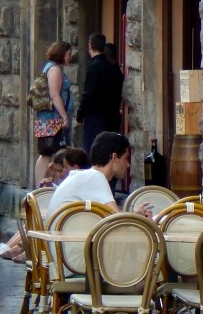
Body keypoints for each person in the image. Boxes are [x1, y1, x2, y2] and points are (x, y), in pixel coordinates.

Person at [0, 147, 90, 262]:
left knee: (42, 221)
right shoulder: (73, 182)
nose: (60, 174)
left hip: (70, 228)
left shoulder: (82, 183)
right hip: (66, 223)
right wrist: (51, 179)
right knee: (35, 221)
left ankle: (23, 248)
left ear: (75, 168)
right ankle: (15, 247)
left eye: (63, 169)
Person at [48, 132, 131, 214]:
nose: (128, 164)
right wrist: (137, 216)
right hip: (65, 227)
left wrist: (134, 214)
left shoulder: (88, 176)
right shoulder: (95, 178)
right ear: (114, 157)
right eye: (125, 158)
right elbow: (119, 221)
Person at [34, 41, 75, 186]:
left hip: (50, 120)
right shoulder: (55, 70)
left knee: (48, 152)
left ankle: (43, 185)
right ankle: (42, 186)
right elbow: (55, 95)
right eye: (69, 54)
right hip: (53, 120)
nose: (70, 57)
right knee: (50, 153)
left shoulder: (52, 68)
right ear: (62, 54)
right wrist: (64, 117)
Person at [76, 32, 124, 155]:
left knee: (94, 152)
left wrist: (79, 115)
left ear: (89, 46)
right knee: (108, 153)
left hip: (95, 117)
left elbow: (88, 93)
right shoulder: (112, 68)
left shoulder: (94, 66)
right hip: (111, 116)